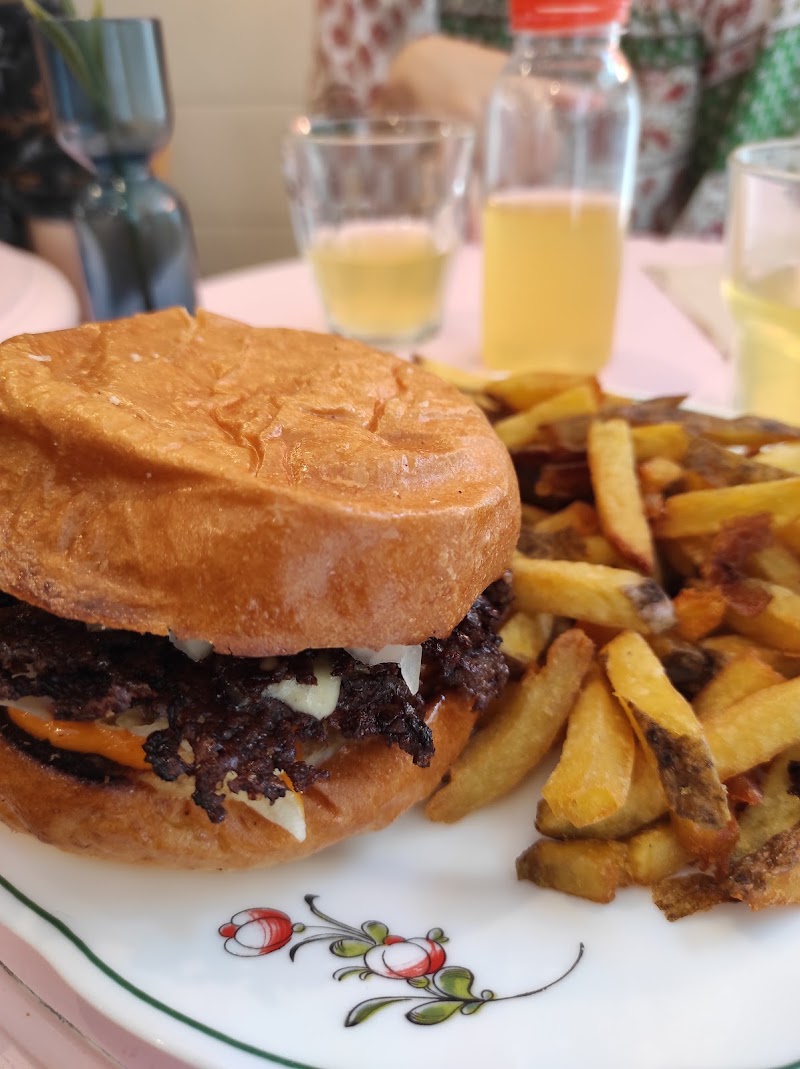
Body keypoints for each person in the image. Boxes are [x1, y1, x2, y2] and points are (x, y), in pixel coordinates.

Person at [309, 0, 800, 236]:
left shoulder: (767, 15)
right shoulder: (371, 12)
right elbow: (331, 232)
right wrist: (393, 115)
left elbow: (759, 254)